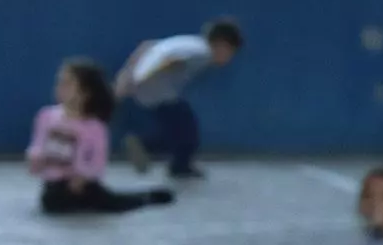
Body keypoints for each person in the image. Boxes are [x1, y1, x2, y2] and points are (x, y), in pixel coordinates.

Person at [28, 59, 173, 214]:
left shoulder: (94, 127)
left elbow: (97, 160)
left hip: (83, 186)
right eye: (60, 82)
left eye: (68, 84)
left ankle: (148, 197)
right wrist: (35, 158)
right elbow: (38, 144)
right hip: (54, 186)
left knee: (113, 203)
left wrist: (83, 176)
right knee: (56, 203)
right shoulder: (47, 116)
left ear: (85, 93)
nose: (60, 88)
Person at [114, 18, 244, 179]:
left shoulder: (190, 43)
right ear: (222, 45)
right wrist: (139, 80)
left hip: (153, 91)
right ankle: (164, 157)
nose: (228, 59)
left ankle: (158, 153)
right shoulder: (202, 53)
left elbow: (148, 45)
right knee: (187, 131)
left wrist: (127, 75)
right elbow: (171, 60)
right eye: (230, 53)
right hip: (156, 93)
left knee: (179, 130)